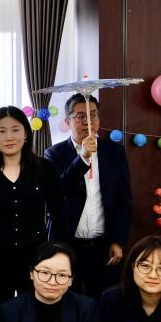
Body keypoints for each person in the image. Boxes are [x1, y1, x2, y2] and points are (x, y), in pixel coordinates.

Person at [0, 106, 69, 302]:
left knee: (33, 313)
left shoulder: (44, 169)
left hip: (36, 260)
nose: (9, 137)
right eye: (1, 131)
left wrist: (57, 253)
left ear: (26, 133)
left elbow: (60, 215)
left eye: (15, 129)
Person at [44, 94, 132, 299]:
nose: (88, 121)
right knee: (66, 302)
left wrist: (118, 241)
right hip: (67, 245)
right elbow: (59, 190)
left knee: (103, 303)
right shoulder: (54, 154)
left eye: (93, 115)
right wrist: (83, 157)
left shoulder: (114, 152)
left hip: (103, 246)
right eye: (80, 116)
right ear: (67, 121)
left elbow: (123, 201)